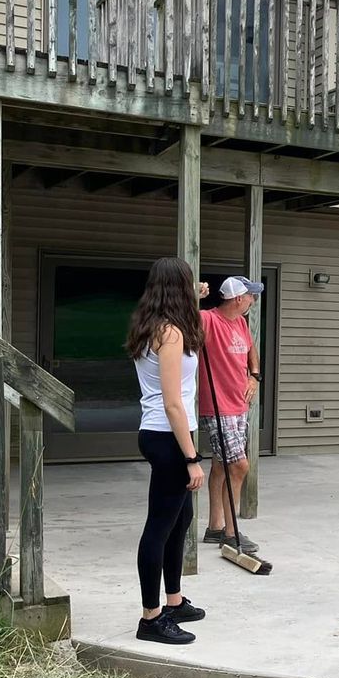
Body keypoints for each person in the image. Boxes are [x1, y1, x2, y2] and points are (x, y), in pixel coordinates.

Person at [125, 257, 208, 645]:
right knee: (159, 526)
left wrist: (199, 299)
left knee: (181, 517)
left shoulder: (152, 326)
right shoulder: (171, 334)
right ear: (180, 287)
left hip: (160, 432)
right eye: (191, 284)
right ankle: (151, 617)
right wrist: (192, 457)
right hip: (169, 436)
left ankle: (173, 600)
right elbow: (174, 402)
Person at [199, 276, 264, 555]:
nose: (253, 300)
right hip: (218, 406)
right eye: (251, 296)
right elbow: (179, 317)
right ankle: (230, 532)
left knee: (219, 466)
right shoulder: (207, 320)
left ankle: (215, 527)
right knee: (238, 466)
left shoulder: (241, 322)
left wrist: (254, 377)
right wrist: (195, 294)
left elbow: (251, 352)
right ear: (238, 298)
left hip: (239, 405)